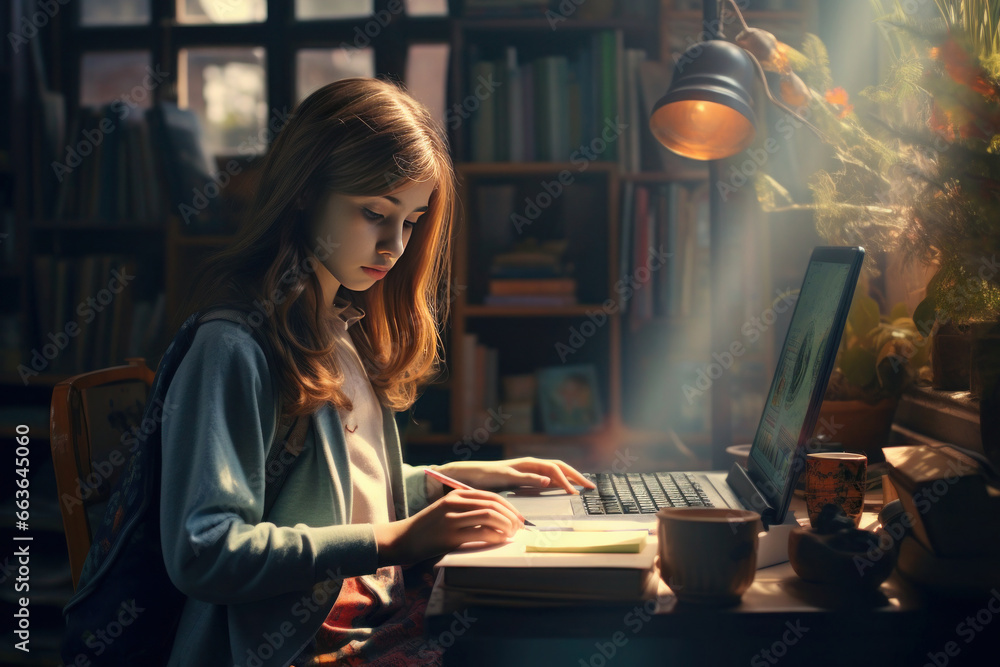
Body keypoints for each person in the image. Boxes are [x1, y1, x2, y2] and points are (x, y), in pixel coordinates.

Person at [159, 77, 596, 667]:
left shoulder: (338, 325)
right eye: (374, 213)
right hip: (306, 647)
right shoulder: (232, 347)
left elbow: (331, 500)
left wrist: (447, 481)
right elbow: (205, 551)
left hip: (374, 615)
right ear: (303, 193)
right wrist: (400, 538)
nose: (394, 245)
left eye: (412, 221)